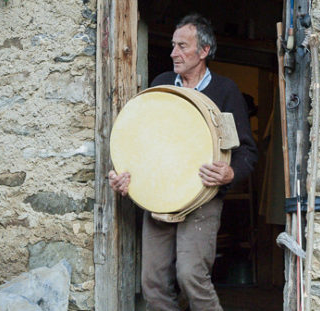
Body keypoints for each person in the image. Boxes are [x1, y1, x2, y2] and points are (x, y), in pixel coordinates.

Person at [109, 14, 258, 311]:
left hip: (203, 199)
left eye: (182, 46)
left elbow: (247, 153)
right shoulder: (162, 85)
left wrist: (229, 173)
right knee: (152, 283)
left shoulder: (224, 91)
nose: (173, 53)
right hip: (160, 198)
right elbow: (142, 140)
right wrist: (124, 175)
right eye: (173, 45)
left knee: (190, 276)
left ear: (203, 51)